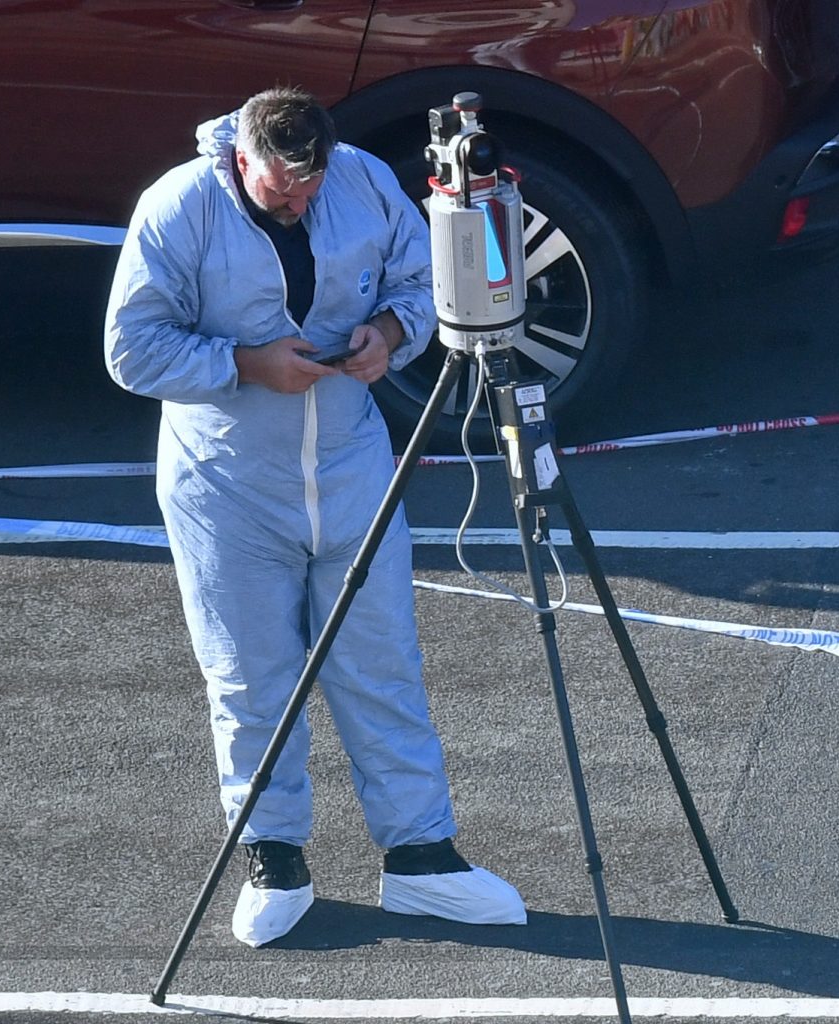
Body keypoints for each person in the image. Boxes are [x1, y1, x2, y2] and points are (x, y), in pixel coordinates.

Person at [104, 86, 526, 947]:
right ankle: (273, 854)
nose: (298, 201)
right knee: (251, 678)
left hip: (351, 465)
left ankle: (421, 860)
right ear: (240, 156)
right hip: (226, 485)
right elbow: (130, 348)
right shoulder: (177, 207)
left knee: (383, 664)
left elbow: (424, 277)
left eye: (309, 186)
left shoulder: (362, 181)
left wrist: (391, 330)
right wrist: (244, 365)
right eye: (279, 190)